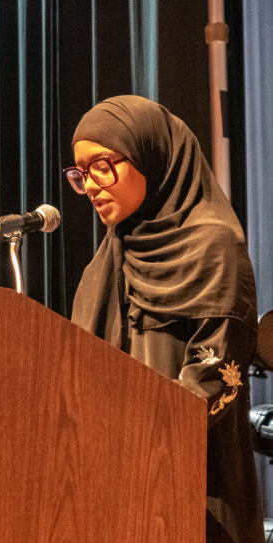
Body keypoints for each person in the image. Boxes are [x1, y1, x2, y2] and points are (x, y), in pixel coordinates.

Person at [64, 95, 265, 543]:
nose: (92, 185)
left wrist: (135, 442)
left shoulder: (215, 249)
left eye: (103, 165)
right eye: (81, 173)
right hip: (115, 493)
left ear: (151, 156)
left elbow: (215, 378)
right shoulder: (104, 265)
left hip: (197, 496)